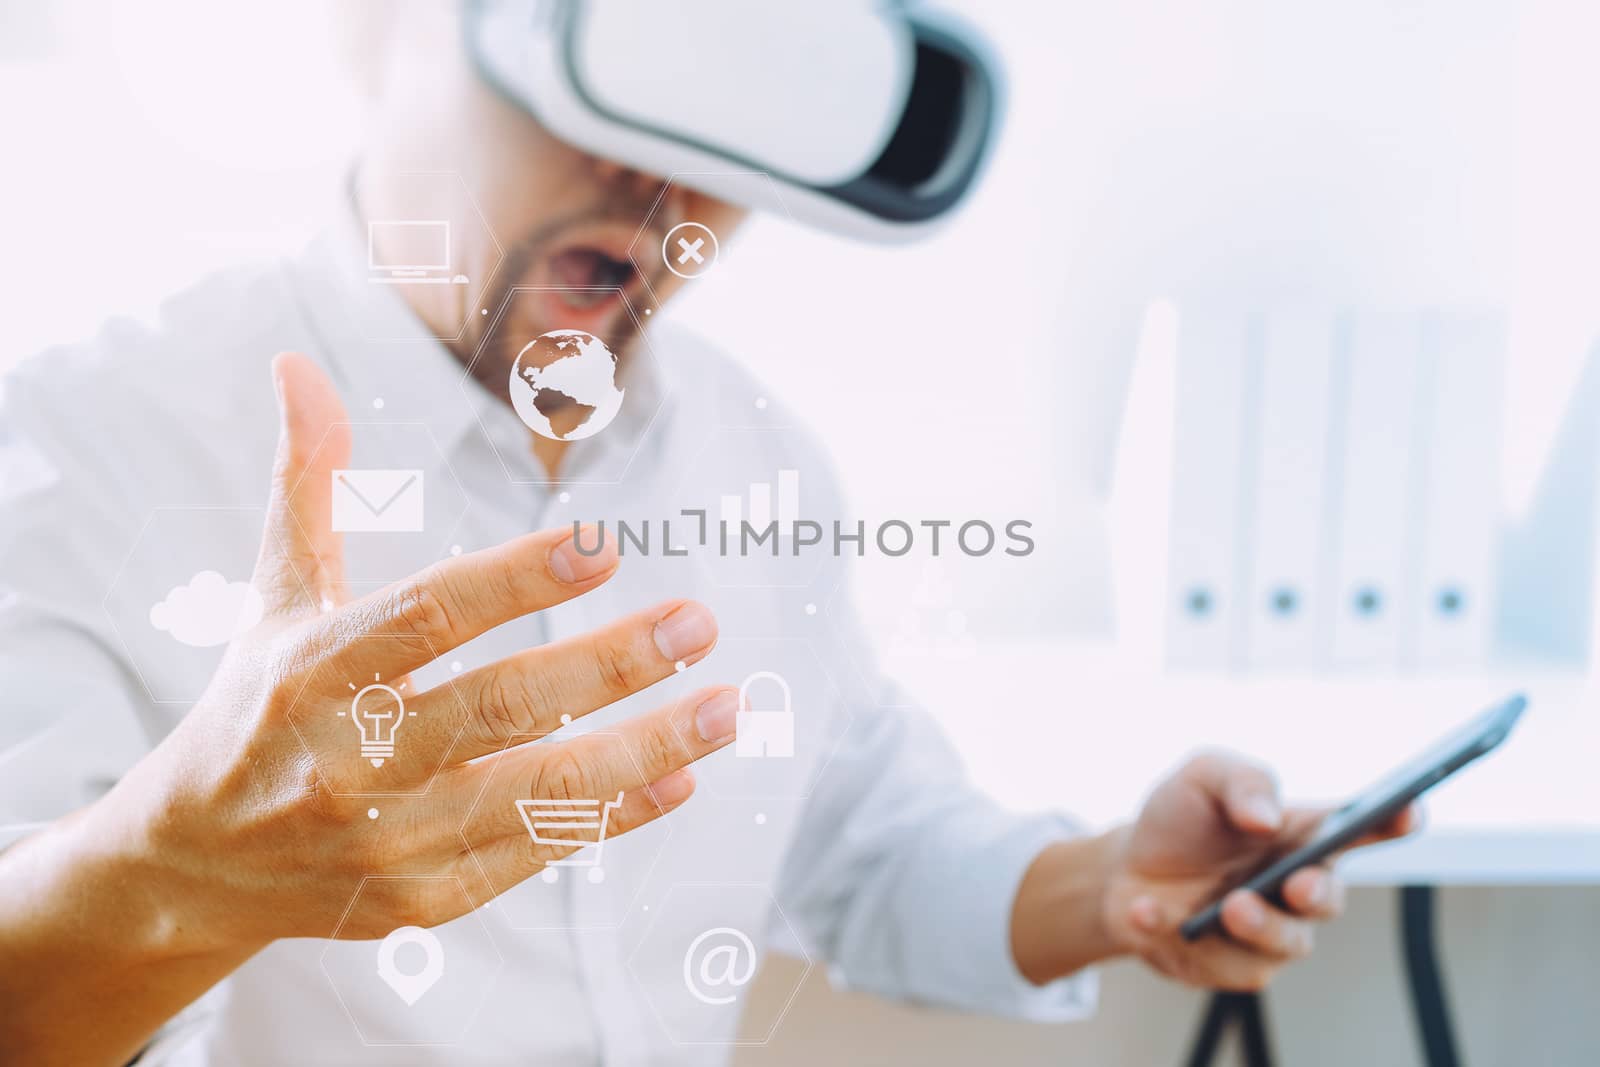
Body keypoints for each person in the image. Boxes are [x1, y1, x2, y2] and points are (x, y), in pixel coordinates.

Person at [0, 5, 1412, 1065]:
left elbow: (864, 843)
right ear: (385, 33)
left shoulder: (761, 467)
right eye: (625, 60)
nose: (656, 175)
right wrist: (168, 874)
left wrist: (1114, 885)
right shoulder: (80, 452)